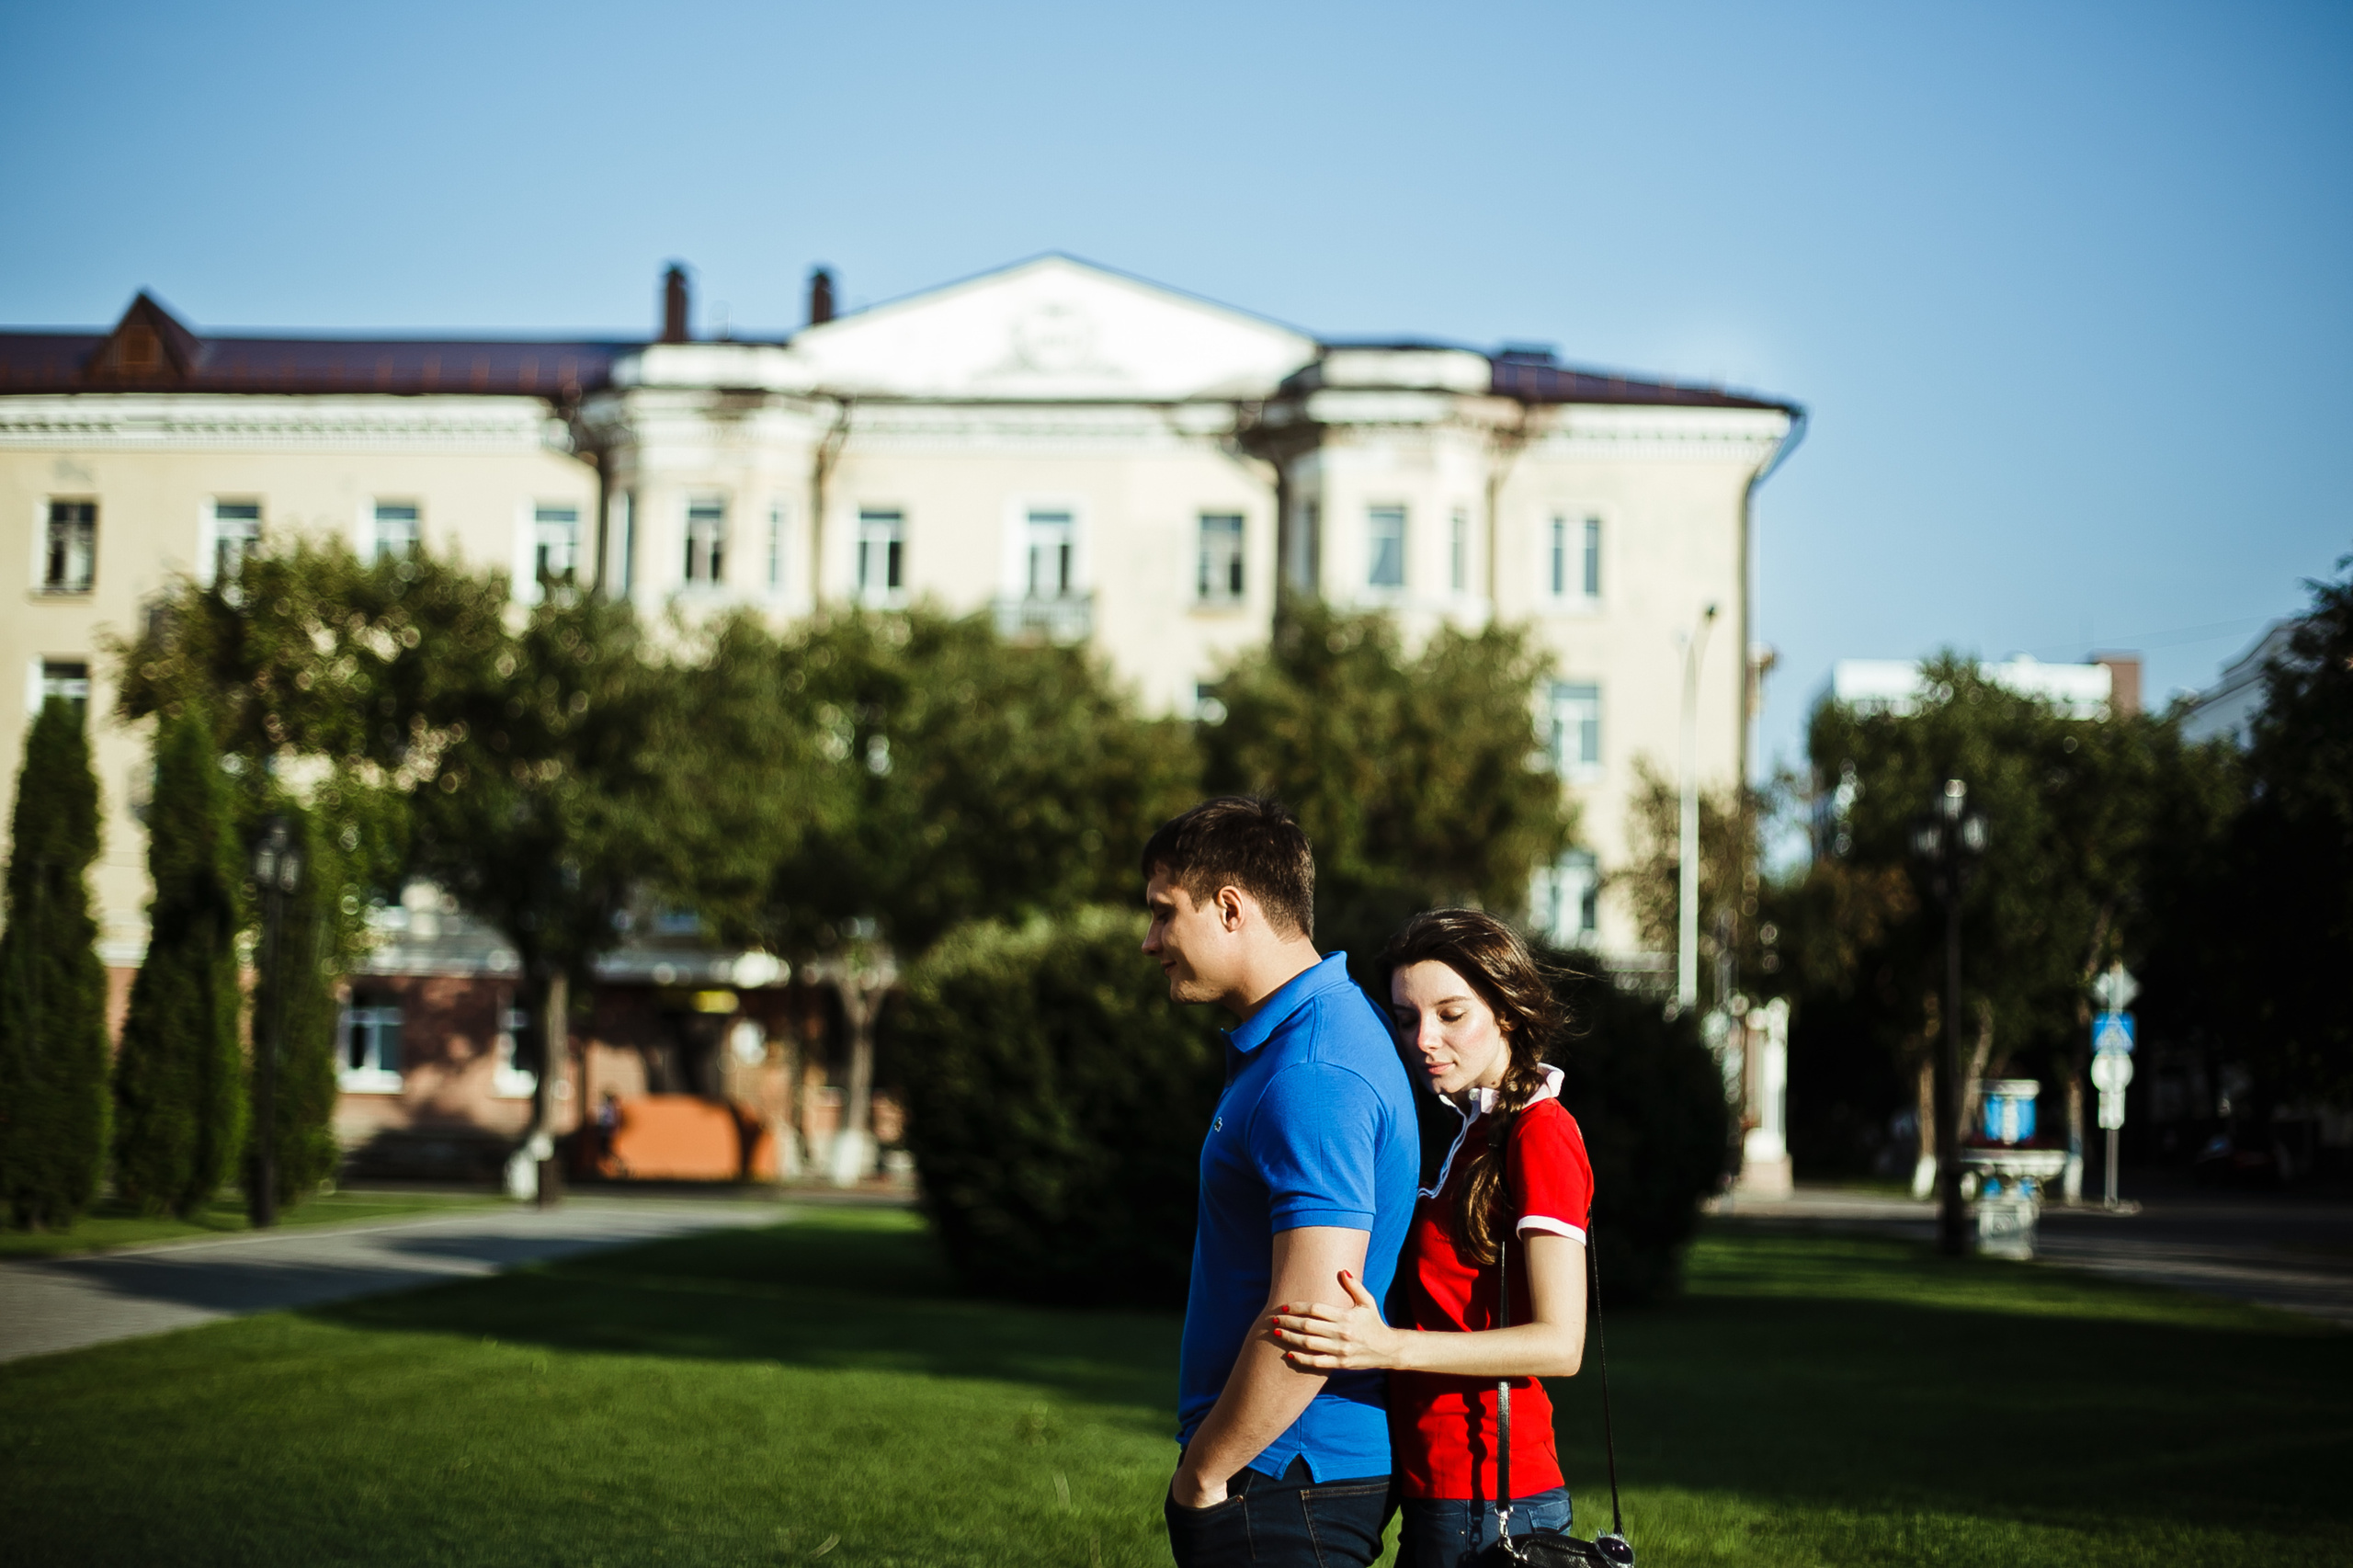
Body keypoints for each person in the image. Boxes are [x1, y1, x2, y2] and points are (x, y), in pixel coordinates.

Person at [1266, 909, 1593, 1568]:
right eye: (1406, 1017)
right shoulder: (1474, 1131)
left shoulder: (1541, 1133)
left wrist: (1387, 1346)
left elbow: (1561, 1345)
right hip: (1440, 1487)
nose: (1423, 1040)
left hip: (1493, 1495)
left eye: (1450, 1014)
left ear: (1505, 1010)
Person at [1141, 797, 1419, 1568]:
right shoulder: (1306, 1038)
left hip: (1286, 1476)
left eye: (1165, 913)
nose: (1149, 940)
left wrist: (1205, 1473)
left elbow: (1313, 1317)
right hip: (1282, 1473)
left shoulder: (1315, 1071)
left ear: (1230, 908)